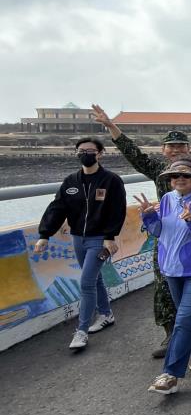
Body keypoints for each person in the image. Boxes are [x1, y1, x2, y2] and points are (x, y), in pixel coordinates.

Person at [90, 105, 191, 357]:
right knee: (163, 286)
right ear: (163, 150)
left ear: (189, 149)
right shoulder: (160, 172)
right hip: (165, 236)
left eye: (180, 146)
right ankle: (170, 333)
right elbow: (134, 155)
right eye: (171, 146)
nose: (175, 150)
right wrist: (111, 126)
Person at [35, 137, 126, 351]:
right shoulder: (71, 182)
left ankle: (82, 331)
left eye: (90, 150)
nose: (85, 154)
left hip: (100, 240)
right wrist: (45, 234)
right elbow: (57, 208)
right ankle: (106, 314)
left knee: (86, 283)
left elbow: (117, 210)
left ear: (100, 153)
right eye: (81, 151)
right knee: (95, 278)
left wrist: (109, 236)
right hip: (78, 238)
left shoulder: (111, 180)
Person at [137, 159, 191, 394]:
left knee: (182, 318)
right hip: (170, 268)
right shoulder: (166, 199)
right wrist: (148, 217)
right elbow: (158, 231)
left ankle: (170, 374)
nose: (180, 179)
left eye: (186, 176)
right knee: (187, 316)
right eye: (175, 176)